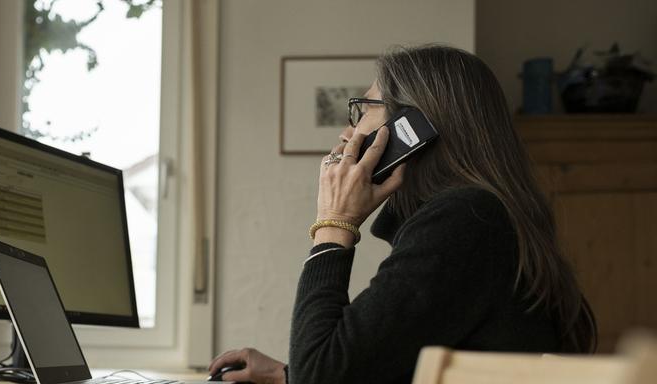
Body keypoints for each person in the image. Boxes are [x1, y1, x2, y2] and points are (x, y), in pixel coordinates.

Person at [208, 45, 597, 384]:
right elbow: (383, 359)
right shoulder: (479, 218)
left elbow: (321, 375)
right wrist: (289, 375)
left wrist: (333, 222)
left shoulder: (465, 220)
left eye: (363, 111)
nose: (347, 134)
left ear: (413, 128)